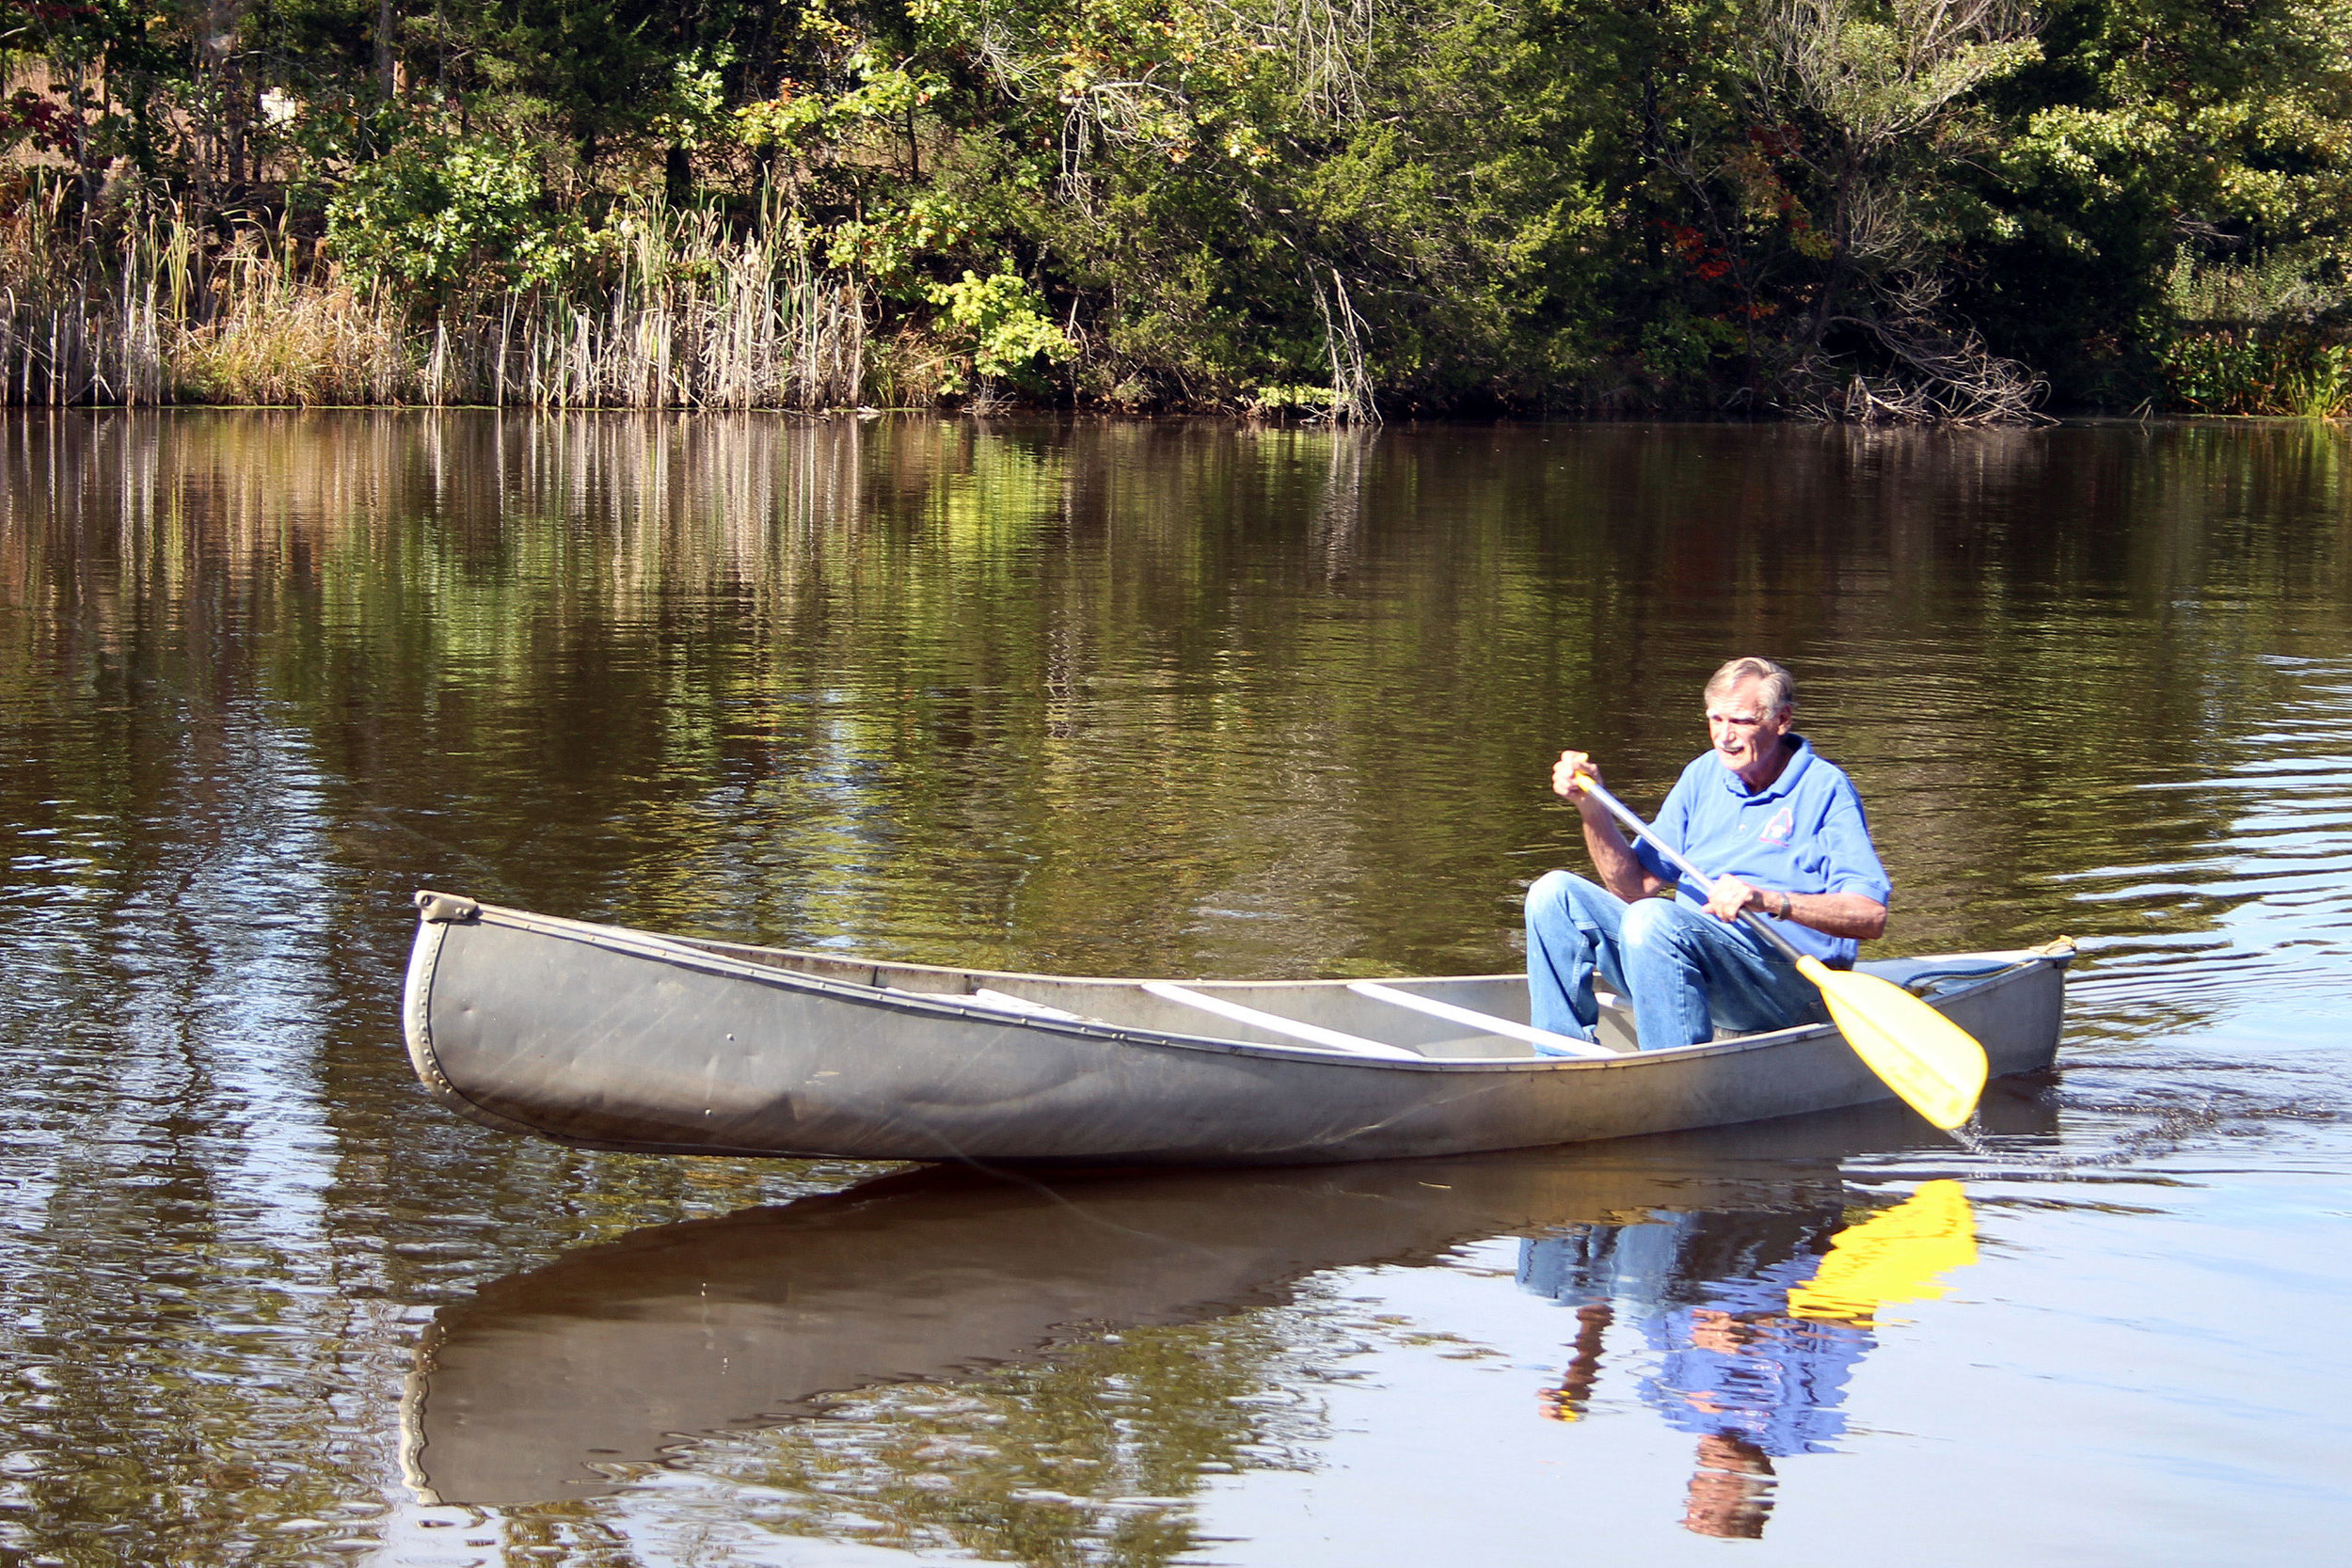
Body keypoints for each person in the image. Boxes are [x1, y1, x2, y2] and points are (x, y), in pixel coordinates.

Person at [1524, 656, 1890, 1052]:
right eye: (1715, 720)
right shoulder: (1703, 774)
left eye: (1741, 721)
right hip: (1695, 959)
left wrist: (1768, 900)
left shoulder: (1825, 789)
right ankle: (1559, 1061)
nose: (1724, 736)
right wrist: (1591, 808)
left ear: (1781, 720)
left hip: (1788, 983)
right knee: (1554, 894)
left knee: (1654, 920)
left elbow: (1870, 916)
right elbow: (1633, 887)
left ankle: (1671, 1080)